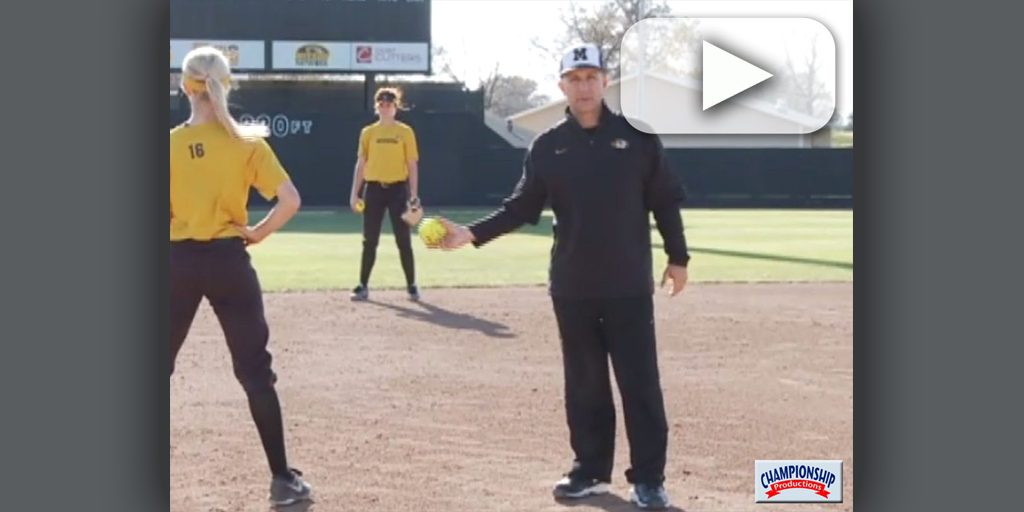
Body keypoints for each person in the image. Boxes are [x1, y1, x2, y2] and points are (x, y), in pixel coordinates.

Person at [436, 43, 690, 510]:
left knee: (639, 385)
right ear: (562, 86)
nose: (584, 86)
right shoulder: (549, 146)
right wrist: (471, 234)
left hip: (628, 286)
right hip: (572, 287)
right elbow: (521, 207)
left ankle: (649, 479)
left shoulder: (637, 138)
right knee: (584, 383)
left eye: (591, 77)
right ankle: (590, 470)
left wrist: (679, 257)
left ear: (606, 81)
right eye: (574, 78)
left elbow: (665, 200)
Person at [170, 46, 312, 507]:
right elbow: (289, 200)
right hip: (230, 261)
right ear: (223, 86)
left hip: (177, 263)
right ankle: (281, 482)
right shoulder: (248, 143)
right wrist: (256, 233)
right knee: (255, 374)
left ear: (185, 87)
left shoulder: (168, 144)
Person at [348, 87, 422, 301]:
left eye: (389, 103)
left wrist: (414, 195)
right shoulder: (368, 133)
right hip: (373, 190)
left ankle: (411, 285)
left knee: (403, 240)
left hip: (398, 190)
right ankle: (363, 285)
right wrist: (355, 193)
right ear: (377, 106)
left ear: (396, 107)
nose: (385, 107)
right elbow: (361, 164)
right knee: (369, 240)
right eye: (381, 103)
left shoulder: (405, 132)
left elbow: (412, 164)